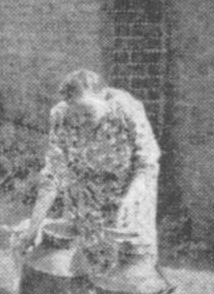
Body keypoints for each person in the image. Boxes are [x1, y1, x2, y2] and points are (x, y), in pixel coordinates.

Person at [15, 69, 161, 274]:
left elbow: (147, 164)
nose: (81, 120)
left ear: (103, 98)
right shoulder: (61, 115)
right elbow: (52, 176)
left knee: (127, 274)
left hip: (128, 201)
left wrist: (131, 198)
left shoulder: (127, 111)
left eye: (87, 112)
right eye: (75, 115)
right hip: (84, 206)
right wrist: (32, 230)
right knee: (81, 269)